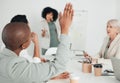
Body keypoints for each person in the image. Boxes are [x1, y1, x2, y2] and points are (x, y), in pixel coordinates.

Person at [0, 3, 74, 83]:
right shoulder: (15, 69)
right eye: (29, 34)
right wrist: (65, 29)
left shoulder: (7, 59)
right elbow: (58, 67)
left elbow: (29, 70)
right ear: (24, 45)